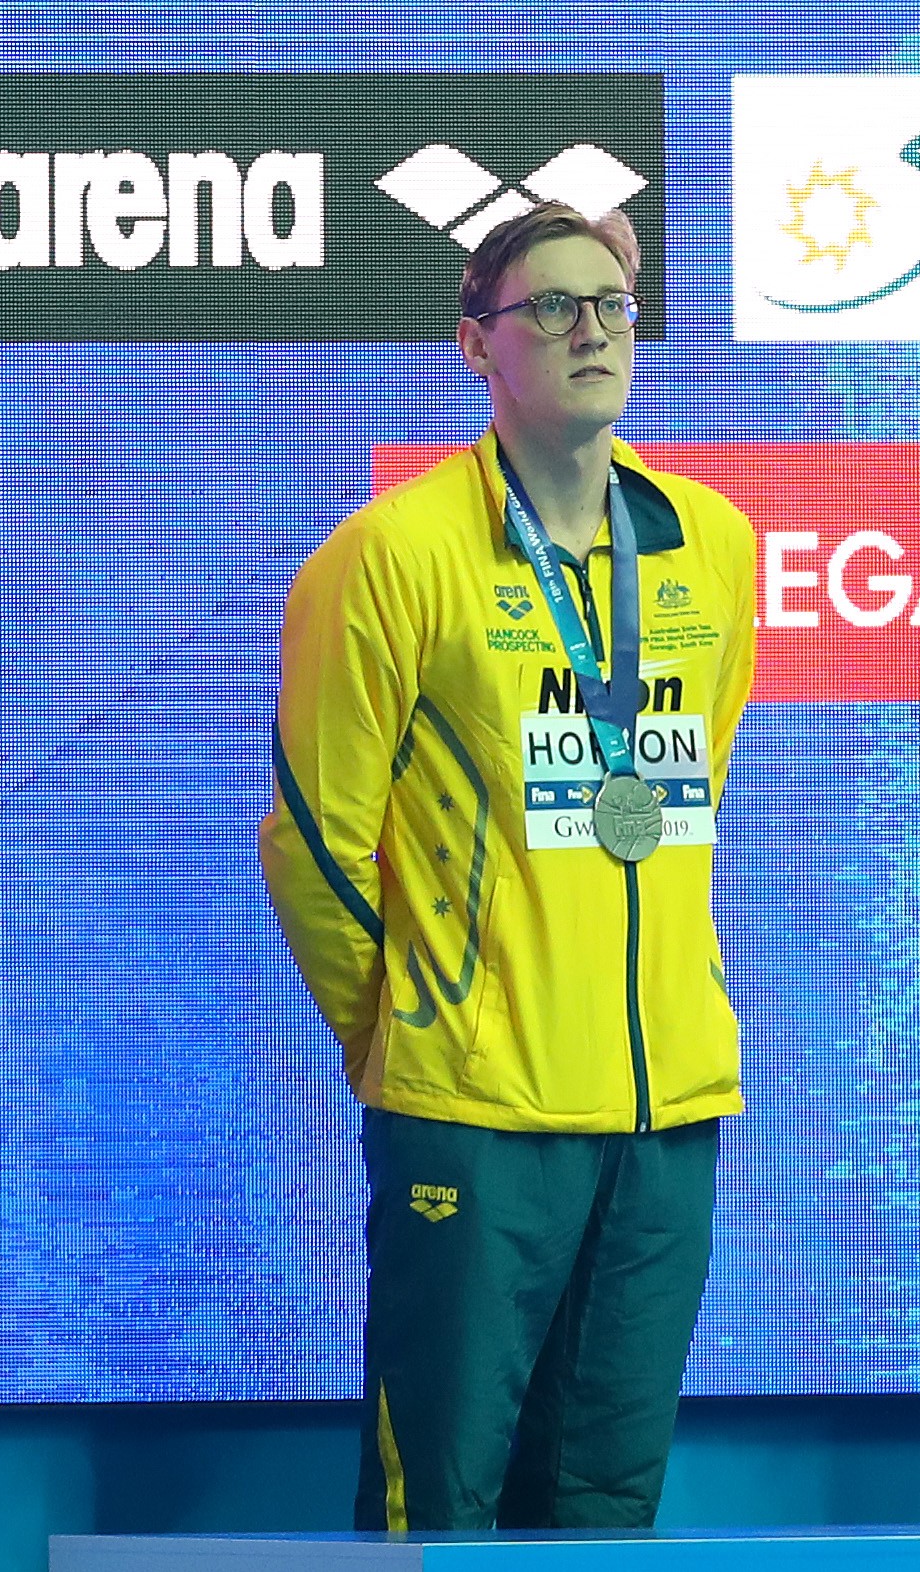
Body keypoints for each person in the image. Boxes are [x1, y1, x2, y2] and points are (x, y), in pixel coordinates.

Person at [258, 198, 757, 1533]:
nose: (589, 331)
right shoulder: (386, 558)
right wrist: (410, 1035)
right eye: (550, 306)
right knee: (443, 1506)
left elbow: (684, 778)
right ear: (475, 344)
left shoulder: (713, 544)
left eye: (611, 306)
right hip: (473, 1118)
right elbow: (313, 843)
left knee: (605, 1504)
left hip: (664, 1119)